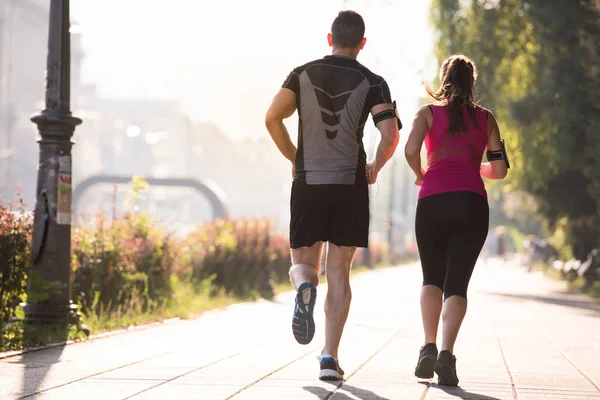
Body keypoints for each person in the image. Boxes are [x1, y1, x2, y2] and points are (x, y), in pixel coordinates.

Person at [264, 10, 400, 381]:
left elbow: (272, 117)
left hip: (308, 182)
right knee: (339, 270)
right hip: (349, 185)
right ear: (362, 43)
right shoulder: (374, 81)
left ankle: (305, 287)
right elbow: (390, 136)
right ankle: (328, 358)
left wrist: (295, 157)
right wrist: (375, 165)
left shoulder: (301, 73)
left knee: (303, 263)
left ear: (329, 39)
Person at [404, 54, 508, 386]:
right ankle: (447, 355)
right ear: (472, 83)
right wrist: (471, 167)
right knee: (457, 283)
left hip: (432, 200)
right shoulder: (486, 118)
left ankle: (428, 348)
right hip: (471, 204)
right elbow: (501, 169)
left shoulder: (427, 113)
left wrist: (422, 173)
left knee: (431, 278)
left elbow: (409, 150)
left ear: (444, 79)